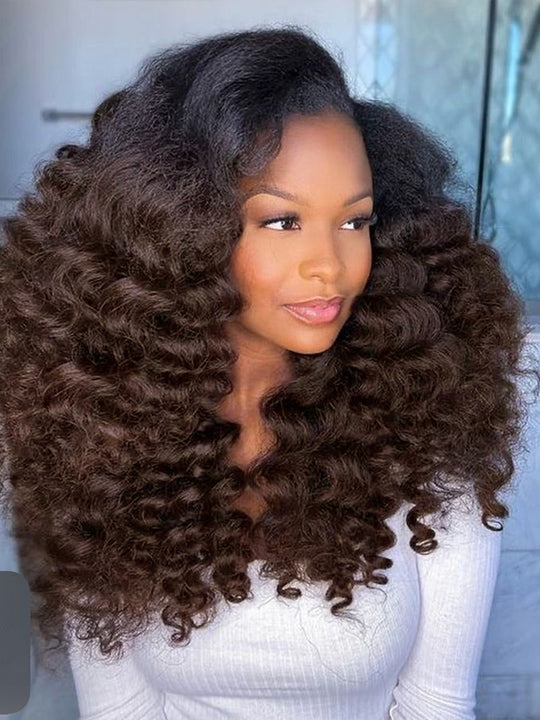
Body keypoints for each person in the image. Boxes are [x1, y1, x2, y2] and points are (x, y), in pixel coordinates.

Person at [0, 25, 538, 720]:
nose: (330, 266)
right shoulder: (101, 432)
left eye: (355, 222)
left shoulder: (429, 420)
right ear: (183, 230)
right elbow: (118, 709)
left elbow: (437, 703)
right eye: (283, 222)